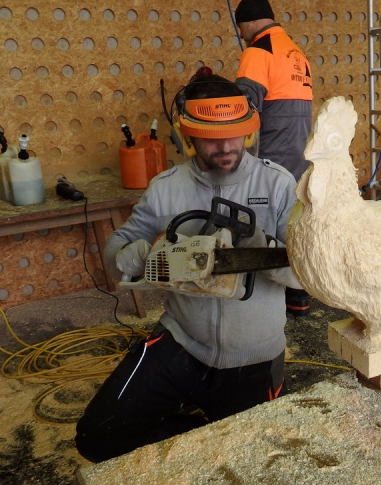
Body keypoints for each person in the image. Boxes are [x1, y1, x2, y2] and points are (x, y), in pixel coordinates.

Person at [75, 73, 302, 463]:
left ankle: (217, 439)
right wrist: (130, 257)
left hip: (253, 354)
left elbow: (304, 274)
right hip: (182, 341)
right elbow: (118, 247)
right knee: (97, 438)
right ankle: (199, 436)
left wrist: (261, 248)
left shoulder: (278, 185)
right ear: (188, 136)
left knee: (252, 459)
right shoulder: (165, 187)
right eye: (211, 138)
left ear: (248, 130)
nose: (225, 147)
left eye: (234, 135)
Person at [234, 0, 313, 316]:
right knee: (295, 227)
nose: (241, 34)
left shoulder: (257, 51)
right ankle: (299, 294)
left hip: (271, 157)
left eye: (241, 27)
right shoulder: (296, 53)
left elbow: (242, 113)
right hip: (299, 157)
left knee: (265, 231)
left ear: (249, 22)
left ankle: (265, 300)